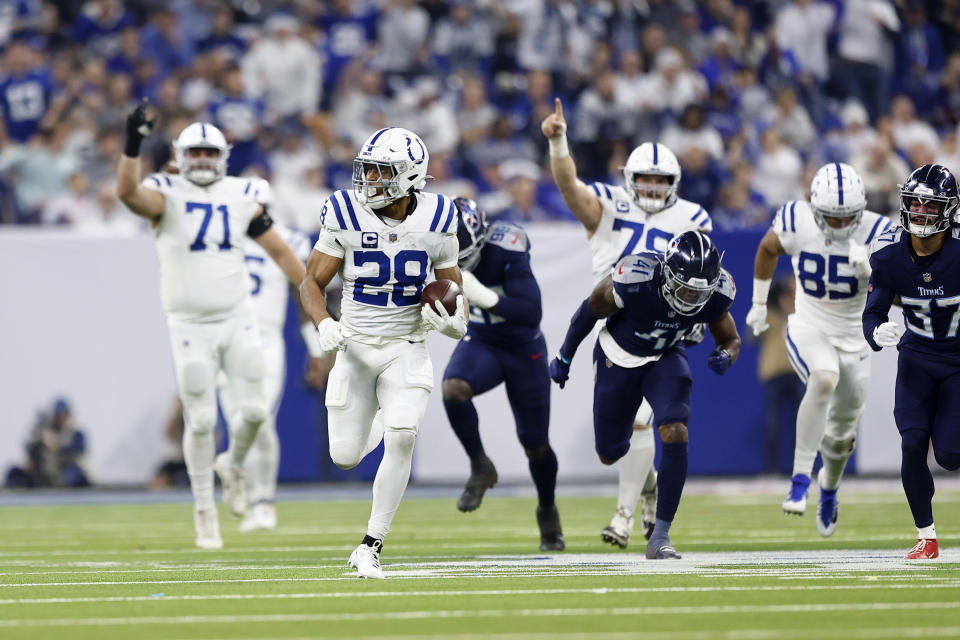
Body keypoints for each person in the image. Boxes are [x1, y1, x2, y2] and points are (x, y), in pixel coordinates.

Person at [116, 100, 307, 550]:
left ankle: (233, 465)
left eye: (208, 153)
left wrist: (316, 298)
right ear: (180, 156)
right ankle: (205, 510)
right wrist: (132, 143)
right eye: (194, 153)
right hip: (189, 323)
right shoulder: (166, 190)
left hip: (238, 319)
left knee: (257, 412)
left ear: (223, 156)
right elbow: (128, 194)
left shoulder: (242, 195)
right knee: (200, 420)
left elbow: (281, 252)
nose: (201, 160)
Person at [541, 98, 713, 549]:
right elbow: (570, 188)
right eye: (645, 179)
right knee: (612, 447)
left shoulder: (693, 217)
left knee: (648, 423)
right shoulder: (611, 206)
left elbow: (700, 276)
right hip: (613, 327)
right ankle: (648, 490)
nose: (653, 187)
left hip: (661, 331)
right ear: (629, 181)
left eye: (661, 180)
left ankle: (623, 517)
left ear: (674, 183)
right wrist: (559, 141)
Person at [300, 126, 467, 579]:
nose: (369, 178)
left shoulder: (439, 217)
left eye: (380, 171)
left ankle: (370, 546)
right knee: (345, 455)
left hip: (406, 345)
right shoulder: (343, 210)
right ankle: (382, 418)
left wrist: (453, 319)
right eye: (367, 168)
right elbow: (310, 282)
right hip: (354, 346)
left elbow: (454, 288)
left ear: (410, 178)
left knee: (404, 434)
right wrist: (324, 323)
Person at [549, 231, 740, 559]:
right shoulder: (634, 279)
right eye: (684, 289)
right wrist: (565, 356)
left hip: (665, 357)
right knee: (610, 453)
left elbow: (730, 338)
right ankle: (648, 482)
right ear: (667, 275)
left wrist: (725, 355)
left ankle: (660, 536)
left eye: (699, 293)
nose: (691, 300)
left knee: (675, 431)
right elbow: (588, 312)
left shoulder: (717, 292)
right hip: (618, 357)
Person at [745, 163, 892, 536]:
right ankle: (799, 480)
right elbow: (766, 249)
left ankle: (828, 490)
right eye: (831, 217)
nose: (840, 226)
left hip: (855, 335)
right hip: (809, 324)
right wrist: (760, 304)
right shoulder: (797, 219)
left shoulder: (878, 231)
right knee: (823, 378)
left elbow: (902, 285)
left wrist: (873, 274)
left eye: (847, 218)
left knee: (842, 435)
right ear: (813, 206)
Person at [441, 196, 563, 551]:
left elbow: (530, 312)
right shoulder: (430, 248)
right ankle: (481, 465)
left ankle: (547, 510)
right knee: (453, 388)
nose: (457, 260)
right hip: (482, 341)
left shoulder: (505, 248)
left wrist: (486, 297)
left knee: (535, 444)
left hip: (524, 349)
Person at [863, 163, 960, 560]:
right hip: (917, 359)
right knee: (912, 442)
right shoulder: (888, 256)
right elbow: (873, 313)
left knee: (950, 457)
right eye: (914, 204)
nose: (919, 212)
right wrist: (875, 332)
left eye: (929, 205)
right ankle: (927, 535)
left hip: (957, 362)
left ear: (948, 211)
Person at [217, 182, 322, 532]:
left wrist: (315, 347)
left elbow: (302, 293)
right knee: (236, 423)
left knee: (260, 418)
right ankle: (237, 479)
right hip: (225, 339)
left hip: (265, 340)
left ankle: (263, 502)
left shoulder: (287, 240)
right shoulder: (220, 239)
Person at [5, 397, 89, 488]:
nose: (61, 419)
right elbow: (31, 452)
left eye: (63, 415)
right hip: (43, 475)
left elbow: (78, 451)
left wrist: (55, 445)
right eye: (58, 416)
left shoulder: (77, 435)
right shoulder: (47, 433)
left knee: (74, 473)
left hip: (64, 473)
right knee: (13, 472)